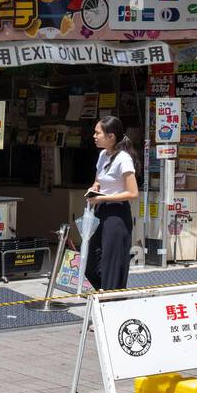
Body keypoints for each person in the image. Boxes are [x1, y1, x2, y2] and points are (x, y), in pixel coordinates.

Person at [83, 115, 139, 292]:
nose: (94, 136)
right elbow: (99, 180)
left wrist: (103, 198)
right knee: (91, 263)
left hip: (117, 215)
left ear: (111, 136)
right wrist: (94, 188)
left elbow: (132, 193)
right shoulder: (102, 155)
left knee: (112, 263)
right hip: (100, 210)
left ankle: (112, 299)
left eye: (98, 132)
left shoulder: (124, 159)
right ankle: (109, 293)